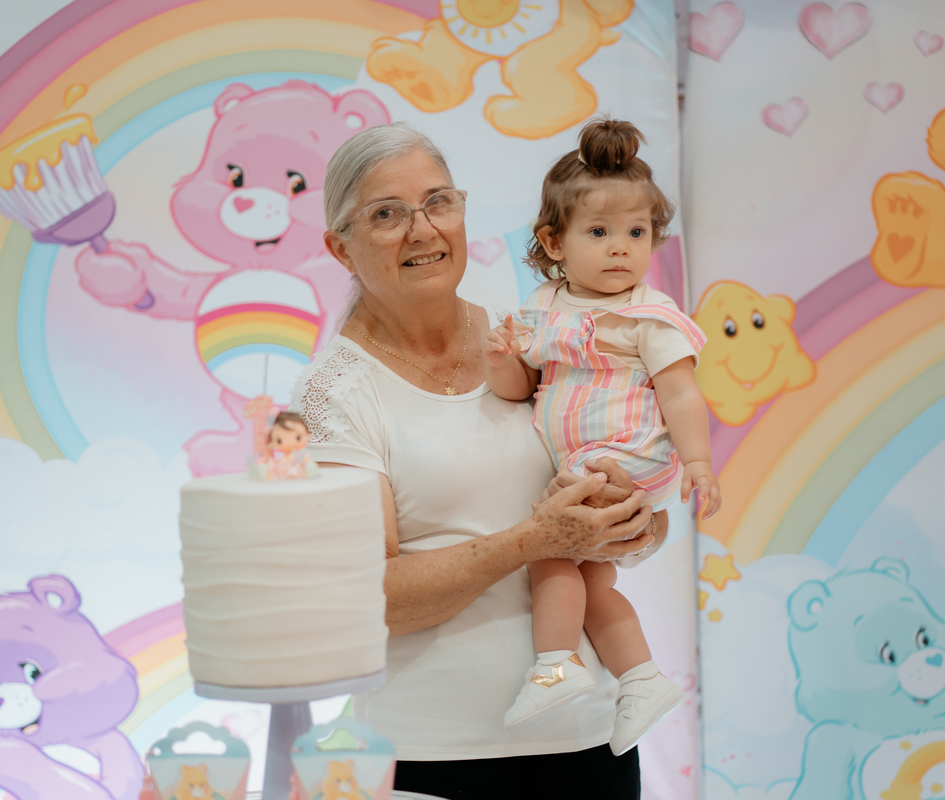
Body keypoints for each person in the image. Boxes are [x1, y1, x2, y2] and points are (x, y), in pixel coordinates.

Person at [289, 122, 662, 800]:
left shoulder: (530, 338)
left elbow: (625, 499)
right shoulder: (332, 395)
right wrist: (533, 540)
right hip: (434, 760)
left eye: (439, 202)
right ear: (340, 247)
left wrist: (635, 521)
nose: (423, 230)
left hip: (590, 744)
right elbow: (365, 599)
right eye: (387, 214)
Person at [483, 119, 720, 754]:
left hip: (629, 454)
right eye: (599, 232)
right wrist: (501, 359)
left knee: (548, 545)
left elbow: (681, 392)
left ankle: (555, 665)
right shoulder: (545, 306)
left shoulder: (648, 315)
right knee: (589, 582)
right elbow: (520, 388)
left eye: (636, 233)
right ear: (553, 242)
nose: (621, 249)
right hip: (589, 459)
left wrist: (698, 462)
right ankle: (640, 678)